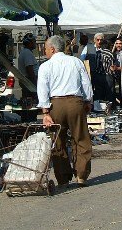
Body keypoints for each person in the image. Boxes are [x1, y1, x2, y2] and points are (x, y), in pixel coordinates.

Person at [37, 35, 93, 188]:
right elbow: (86, 83)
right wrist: (88, 101)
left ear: (53, 49)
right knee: (81, 137)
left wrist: (46, 112)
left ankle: (63, 178)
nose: (45, 51)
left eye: (46, 48)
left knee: (58, 140)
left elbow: (42, 90)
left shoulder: (45, 66)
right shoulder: (76, 61)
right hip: (75, 102)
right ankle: (81, 175)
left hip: (56, 105)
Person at [81, 33, 115, 104]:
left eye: (101, 40)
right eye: (98, 40)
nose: (99, 42)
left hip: (103, 75)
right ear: (94, 40)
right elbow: (82, 60)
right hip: (91, 74)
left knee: (104, 92)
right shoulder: (88, 47)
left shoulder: (105, 50)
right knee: (92, 92)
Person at [17, 33, 37, 99]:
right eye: (34, 41)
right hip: (29, 83)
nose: (35, 43)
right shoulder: (27, 53)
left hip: (27, 82)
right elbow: (29, 70)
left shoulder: (25, 52)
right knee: (31, 101)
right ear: (29, 43)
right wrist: (35, 85)